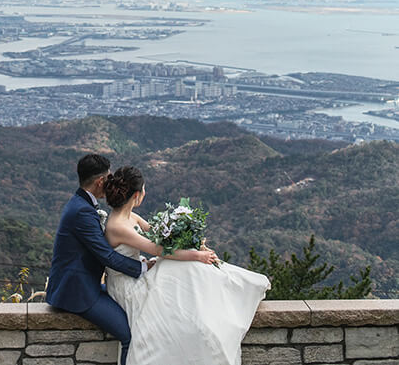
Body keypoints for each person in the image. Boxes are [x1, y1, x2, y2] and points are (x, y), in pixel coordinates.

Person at [103, 166, 270, 365]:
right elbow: (159, 250)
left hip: (138, 272)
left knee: (186, 267)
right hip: (127, 286)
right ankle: (216, 311)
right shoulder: (118, 226)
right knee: (184, 266)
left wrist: (191, 241)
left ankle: (214, 304)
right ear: (137, 195)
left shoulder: (130, 217)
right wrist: (197, 256)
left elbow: (160, 236)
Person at [46, 154, 150, 365]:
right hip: (77, 292)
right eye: (109, 177)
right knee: (129, 335)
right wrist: (143, 267)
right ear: (100, 181)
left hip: (86, 283)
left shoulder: (81, 203)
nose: (112, 182)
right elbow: (107, 256)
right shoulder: (82, 212)